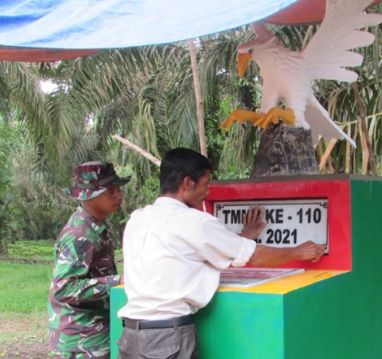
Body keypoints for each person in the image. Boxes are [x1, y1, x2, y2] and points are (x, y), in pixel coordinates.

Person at [117, 148, 325, 359]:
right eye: (206, 183)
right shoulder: (196, 222)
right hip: (167, 338)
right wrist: (299, 250)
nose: (208, 192)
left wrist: (243, 237)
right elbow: (254, 256)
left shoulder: (137, 219)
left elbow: (180, 252)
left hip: (130, 338)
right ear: (188, 183)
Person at [48, 161, 131, 359]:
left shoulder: (96, 227)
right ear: (89, 196)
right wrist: (117, 282)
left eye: (118, 189)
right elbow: (63, 288)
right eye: (110, 191)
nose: (118, 196)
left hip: (93, 333)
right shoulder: (80, 234)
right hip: (81, 339)